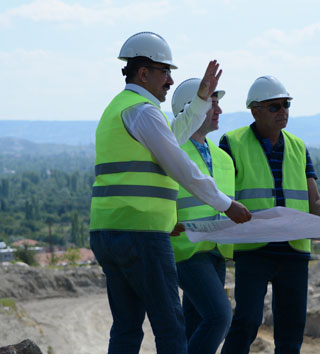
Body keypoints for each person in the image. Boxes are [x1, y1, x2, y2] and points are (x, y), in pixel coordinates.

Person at [89, 32, 251, 354]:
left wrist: (202, 100)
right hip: (143, 235)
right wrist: (225, 203)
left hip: (108, 232)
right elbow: (180, 165)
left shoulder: (121, 108)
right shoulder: (143, 111)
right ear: (144, 73)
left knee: (126, 326)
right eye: (164, 72)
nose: (170, 80)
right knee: (170, 328)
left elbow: (173, 137)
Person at [219, 75, 320, 354]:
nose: (283, 111)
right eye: (274, 106)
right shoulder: (232, 142)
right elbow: (220, 194)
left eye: (286, 104)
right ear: (255, 110)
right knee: (247, 321)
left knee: (291, 331)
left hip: (294, 251)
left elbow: (315, 198)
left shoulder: (298, 147)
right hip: (253, 248)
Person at [169, 78, 235, 354]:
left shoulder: (223, 158)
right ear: (191, 108)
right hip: (185, 249)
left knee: (196, 324)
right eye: (213, 104)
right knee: (220, 316)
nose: (219, 110)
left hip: (216, 251)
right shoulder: (171, 150)